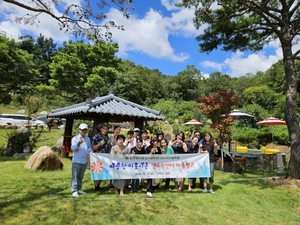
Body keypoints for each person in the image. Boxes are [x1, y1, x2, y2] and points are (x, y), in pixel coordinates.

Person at [70, 123, 92, 198]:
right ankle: (74, 190)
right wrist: (78, 144)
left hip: (84, 160)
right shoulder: (75, 139)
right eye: (82, 130)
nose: (83, 131)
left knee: (81, 176)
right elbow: (73, 149)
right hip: (76, 160)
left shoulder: (87, 139)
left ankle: (79, 188)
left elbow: (88, 147)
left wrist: (90, 150)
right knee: (75, 176)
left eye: (85, 130)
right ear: (79, 130)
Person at [91, 123, 109, 192]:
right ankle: (96, 187)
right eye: (103, 129)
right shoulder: (96, 137)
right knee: (96, 172)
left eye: (106, 129)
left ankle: (98, 185)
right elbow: (93, 147)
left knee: (103, 171)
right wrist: (99, 144)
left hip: (104, 156)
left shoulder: (106, 137)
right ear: (100, 129)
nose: (105, 130)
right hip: (96, 156)